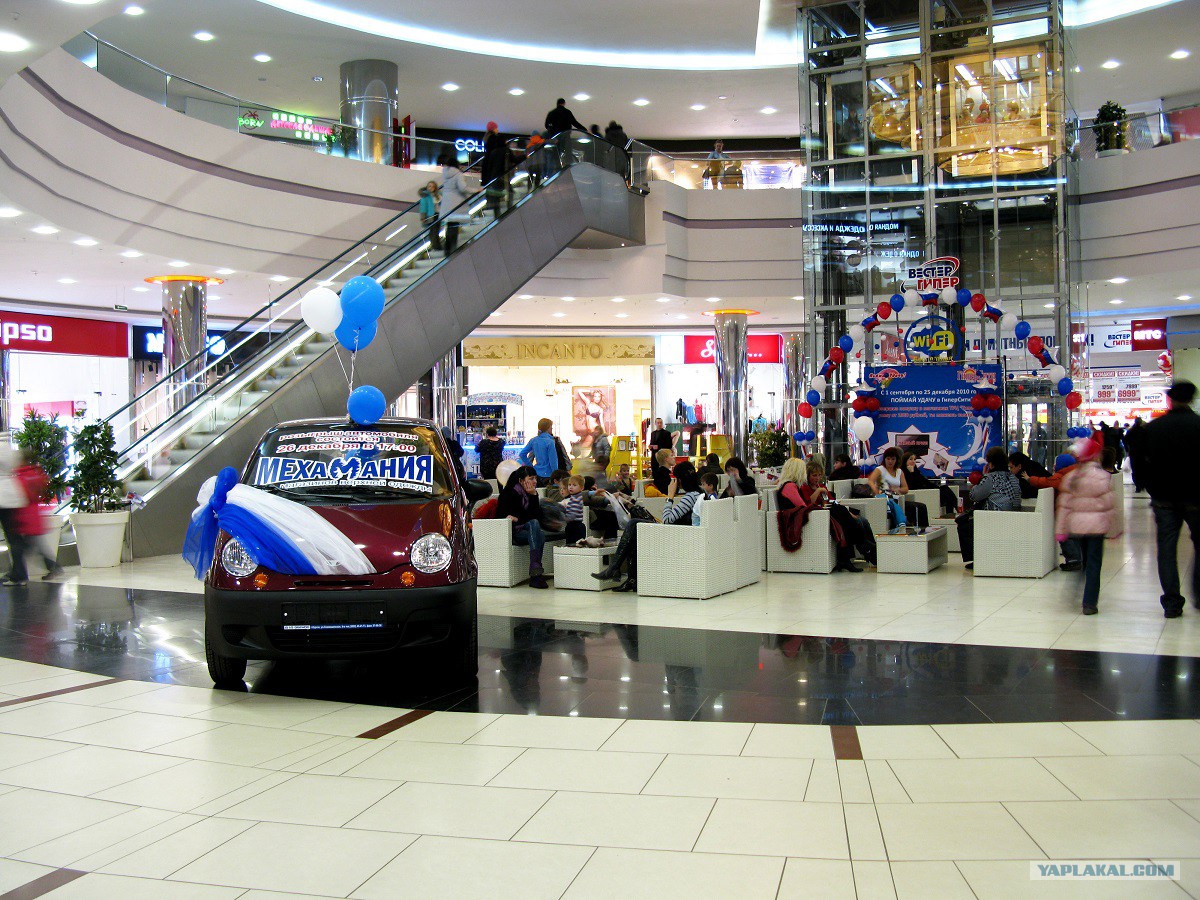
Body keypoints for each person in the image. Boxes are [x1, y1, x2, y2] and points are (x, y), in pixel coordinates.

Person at [591, 461, 703, 592]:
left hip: (675, 535)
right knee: (634, 529)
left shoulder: (690, 496)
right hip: (680, 533)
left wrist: (670, 497)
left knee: (633, 524)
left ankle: (615, 569)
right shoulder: (698, 493)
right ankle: (628, 578)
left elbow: (667, 520)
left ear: (680, 480)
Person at [1144, 380, 1200, 618]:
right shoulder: (1198, 425)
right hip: (1196, 497)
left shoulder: (1154, 428)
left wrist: (1152, 488)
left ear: (1170, 399)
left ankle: (1172, 603)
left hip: (1163, 498)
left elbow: (1142, 463)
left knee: (1167, 549)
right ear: (1191, 399)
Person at [775, 458, 873, 571]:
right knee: (839, 511)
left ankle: (852, 552)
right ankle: (862, 543)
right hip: (801, 519)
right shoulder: (790, 486)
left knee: (840, 513)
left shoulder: (791, 486)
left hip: (805, 516)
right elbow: (803, 506)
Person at [1055, 439, 1115, 615]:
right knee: (1094, 564)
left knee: (1085, 562)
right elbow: (1110, 505)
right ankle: (1089, 603)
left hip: (1078, 527)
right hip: (1097, 528)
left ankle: (1075, 591)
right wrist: (1114, 529)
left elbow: (1064, 506)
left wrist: (1060, 530)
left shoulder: (1071, 478)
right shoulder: (1102, 477)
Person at [956, 446, 1023, 568]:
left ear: (991, 464)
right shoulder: (1013, 478)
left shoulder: (990, 478)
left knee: (964, 526)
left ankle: (977, 560)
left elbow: (974, 496)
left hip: (993, 519)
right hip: (1014, 518)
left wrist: (981, 478)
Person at [496, 466, 553, 588]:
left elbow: (536, 517)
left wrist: (533, 496)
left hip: (528, 530)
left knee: (537, 529)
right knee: (538, 533)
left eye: (535, 478)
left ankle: (535, 572)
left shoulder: (531, 494)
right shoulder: (508, 493)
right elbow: (503, 517)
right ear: (521, 480)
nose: (535, 482)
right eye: (531, 478)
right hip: (512, 531)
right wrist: (519, 519)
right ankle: (535, 574)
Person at [1028, 450, 1082, 571]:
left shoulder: (1062, 476)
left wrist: (1030, 479)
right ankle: (1079, 558)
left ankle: (1073, 560)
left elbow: (1046, 482)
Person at [869, 447, 928, 528]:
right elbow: (870, 481)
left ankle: (923, 530)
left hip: (897, 498)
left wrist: (897, 489)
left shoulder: (899, 471)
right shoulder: (879, 469)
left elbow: (905, 489)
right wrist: (877, 492)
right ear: (884, 459)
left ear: (896, 460)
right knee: (913, 508)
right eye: (888, 459)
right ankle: (904, 524)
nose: (890, 461)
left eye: (893, 459)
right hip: (884, 498)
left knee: (921, 507)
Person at [438, 151, 472, 254]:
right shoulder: (458, 174)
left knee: (449, 226)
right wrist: (476, 190)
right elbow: (463, 188)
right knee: (454, 227)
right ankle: (452, 248)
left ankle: (447, 249)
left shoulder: (445, 174)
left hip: (446, 204)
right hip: (456, 204)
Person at [545, 98, 588, 168]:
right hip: (566, 135)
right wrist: (585, 130)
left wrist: (552, 133)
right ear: (564, 103)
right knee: (568, 152)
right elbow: (575, 123)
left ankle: (557, 167)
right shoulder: (567, 112)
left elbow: (547, 125)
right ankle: (568, 166)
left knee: (556, 153)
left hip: (556, 137)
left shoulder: (551, 113)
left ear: (557, 103)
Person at [519, 418, 558, 485]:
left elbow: (522, 454)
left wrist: (530, 466)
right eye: (551, 427)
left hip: (537, 474)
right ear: (548, 428)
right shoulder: (550, 442)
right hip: (548, 475)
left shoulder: (533, 440)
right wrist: (556, 476)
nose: (552, 429)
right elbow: (553, 461)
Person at [481, 121, 508, 219]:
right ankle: (497, 213)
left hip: (488, 167)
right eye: (496, 128)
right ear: (493, 129)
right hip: (493, 167)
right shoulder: (494, 139)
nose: (498, 129)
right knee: (496, 188)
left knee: (491, 188)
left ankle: (491, 206)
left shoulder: (486, 138)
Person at [560, 474, 588, 544]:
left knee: (577, 545)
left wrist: (565, 517)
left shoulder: (577, 498)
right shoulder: (572, 498)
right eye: (569, 485)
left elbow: (572, 515)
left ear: (581, 488)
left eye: (574, 485)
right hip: (570, 526)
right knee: (569, 544)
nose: (571, 487)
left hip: (577, 526)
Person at [1124, 416, 1148, 492]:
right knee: (1143, 469)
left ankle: (1138, 486)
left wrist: (1127, 449)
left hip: (1133, 453)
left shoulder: (1131, 431)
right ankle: (1142, 484)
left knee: (1135, 470)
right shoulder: (1144, 431)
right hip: (1143, 453)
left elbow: (1125, 440)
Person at [417, 180, 441, 253]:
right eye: (429, 186)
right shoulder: (425, 196)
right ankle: (436, 246)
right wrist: (423, 217)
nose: (431, 188)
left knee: (436, 230)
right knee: (433, 231)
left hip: (438, 215)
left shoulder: (438, 195)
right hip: (430, 216)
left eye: (433, 186)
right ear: (427, 187)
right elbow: (423, 208)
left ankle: (437, 245)